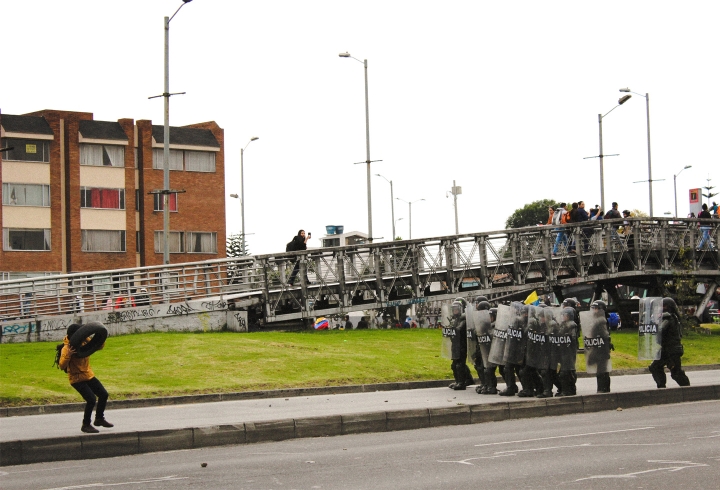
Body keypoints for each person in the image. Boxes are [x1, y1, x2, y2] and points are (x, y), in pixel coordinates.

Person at [58, 324, 113, 433]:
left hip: (88, 374)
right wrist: (68, 355)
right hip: (76, 378)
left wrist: (100, 339)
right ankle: (86, 424)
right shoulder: (67, 348)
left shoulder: (84, 340)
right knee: (91, 399)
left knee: (103, 394)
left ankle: (99, 419)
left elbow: (98, 346)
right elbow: (61, 366)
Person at [649, 298, 690, 388]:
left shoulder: (668, 318)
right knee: (655, 367)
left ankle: (687, 389)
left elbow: (660, 329)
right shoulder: (669, 317)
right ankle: (661, 386)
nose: (661, 308)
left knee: (676, 372)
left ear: (669, 307)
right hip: (665, 349)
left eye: (664, 306)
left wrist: (652, 325)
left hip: (672, 350)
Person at [448, 299, 474, 390]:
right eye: (454, 309)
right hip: (455, 344)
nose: (455, 311)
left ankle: (461, 383)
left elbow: (458, 329)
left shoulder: (463, 318)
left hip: (462, 344)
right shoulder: (454, 319)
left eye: (457, 309)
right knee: (454, 364)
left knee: (459, 364)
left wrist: (451, 329)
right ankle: (466, 379)